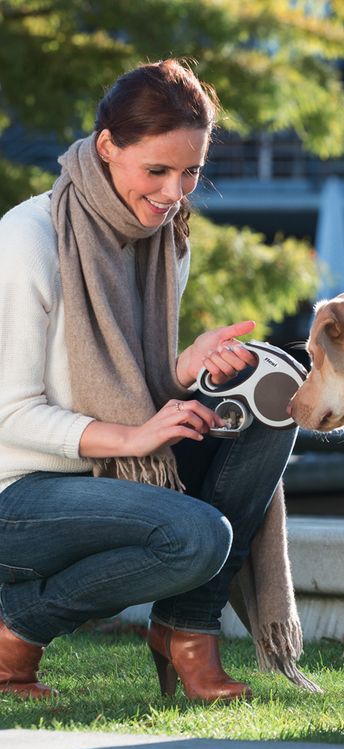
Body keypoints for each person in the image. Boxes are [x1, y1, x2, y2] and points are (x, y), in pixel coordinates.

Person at [0, 59, 297, 702]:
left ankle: (186, 634)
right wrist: (134, 438)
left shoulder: (167, 241)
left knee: (271, 411)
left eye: (190, 172)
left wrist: (186, 368)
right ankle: (16, 629)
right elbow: (10, 414)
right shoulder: (30, 239)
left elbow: (135, 381)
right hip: (18, 494)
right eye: (157, 171)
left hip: (109, 475)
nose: (175, 192)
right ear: (107, 147)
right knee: (196, 537)